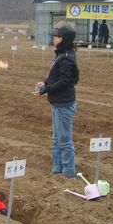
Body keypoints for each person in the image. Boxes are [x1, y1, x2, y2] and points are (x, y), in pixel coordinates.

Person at [33, 26, 79, 178]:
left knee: (64, 139)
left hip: (63, 103)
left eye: (56, 37)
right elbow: (56, 77)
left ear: (63, 39)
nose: (53, 39)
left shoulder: (66, 57)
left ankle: (68, 172)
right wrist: (45, 83)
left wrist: (45, 90)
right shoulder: (62, 55)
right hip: (58, 102)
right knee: (56, 138)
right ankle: (57, 167)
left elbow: (64, 82)